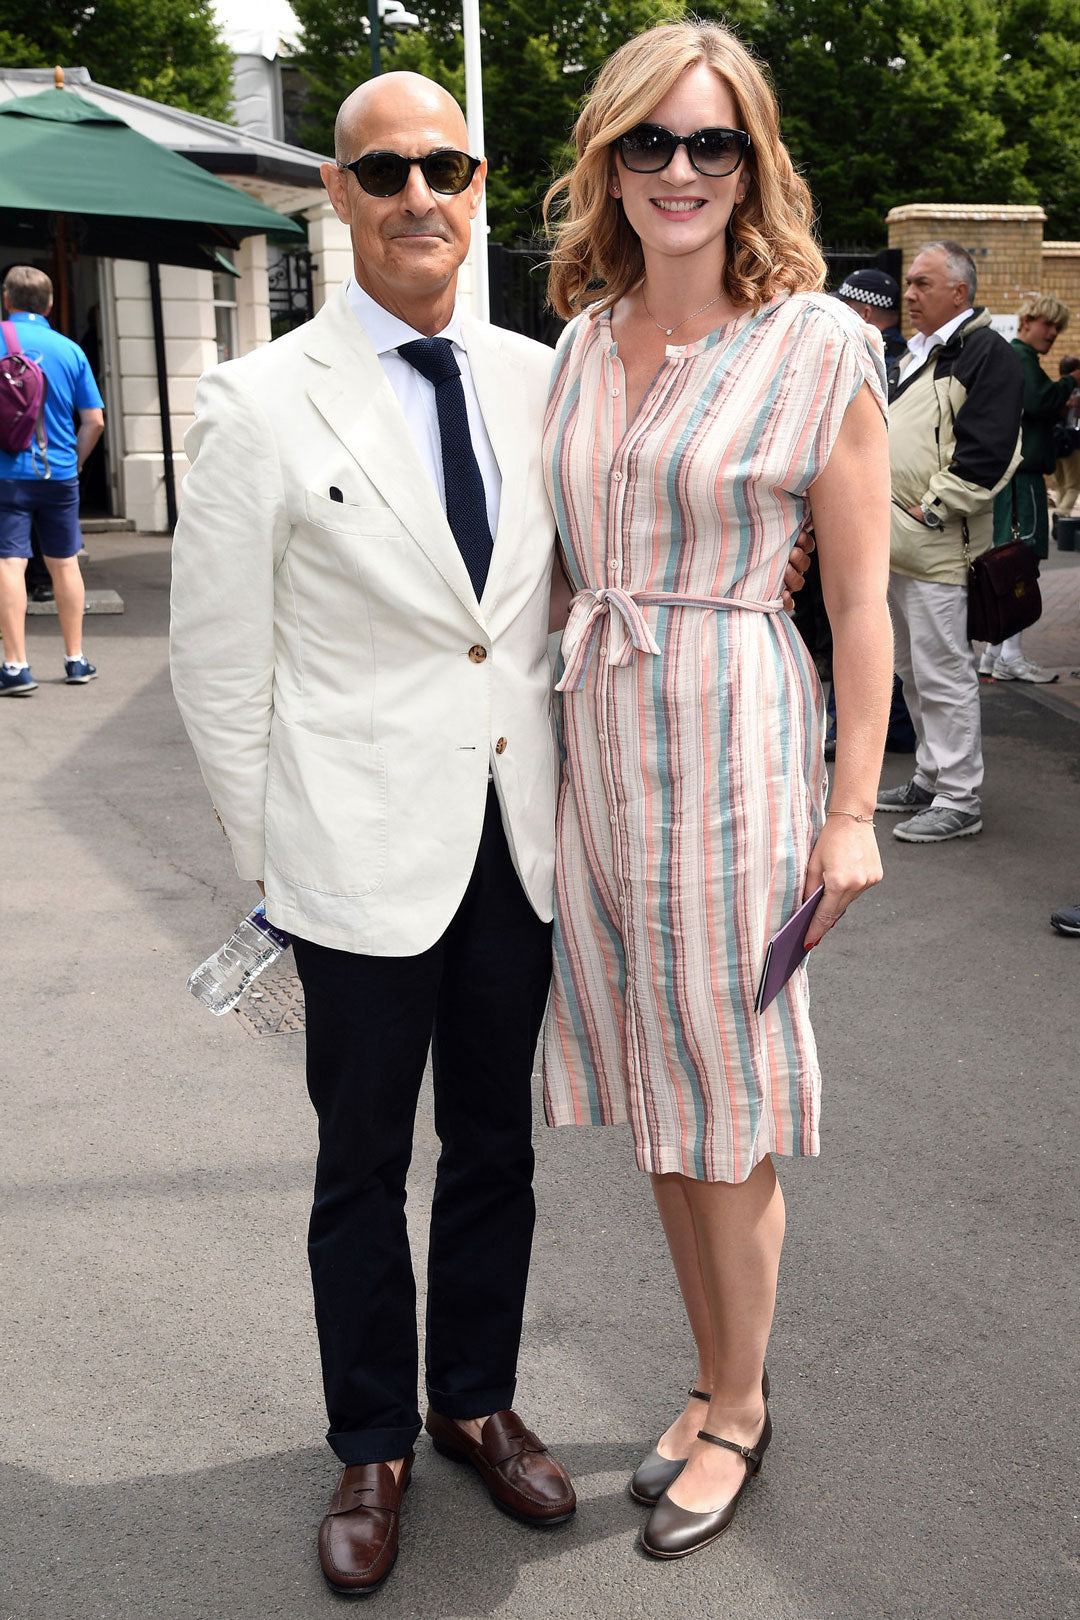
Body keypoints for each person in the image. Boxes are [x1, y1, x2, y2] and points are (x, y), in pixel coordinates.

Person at [170, 73, 577, 1598]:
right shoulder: (260, 400)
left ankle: (473, 1399)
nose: (420, 196)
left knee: (495, 1148)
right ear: (340, 195)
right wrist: (273, 864)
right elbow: (218, 662)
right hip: (348, 855)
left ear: (480, 187)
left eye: (446, 167)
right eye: (385, 171)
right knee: (360, 1166)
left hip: (511, 843)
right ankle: (372, 1441)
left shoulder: (545, 380)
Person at [542, 19, 892, 1562]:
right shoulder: (573, 338)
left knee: (727, 1104)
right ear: (608, 162)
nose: (679, 173)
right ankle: (708, 1373)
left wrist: (852, 810)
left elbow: (865, 603)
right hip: (596, 756)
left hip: (736, 747)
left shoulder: (818, 343)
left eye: (712, 144)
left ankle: (737, 1409)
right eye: (649, 144)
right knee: (655, 1101)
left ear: (754, 163)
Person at [877, 241, 1023, 842]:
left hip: (935, 547)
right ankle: (932, 777)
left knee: (944, 674)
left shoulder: (986, 353)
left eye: (921, 284)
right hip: (898, 544)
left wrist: (930, 512)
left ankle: (959, 798)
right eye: (909, 284)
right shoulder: (927, 352)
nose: (907, 295)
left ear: (958, 292)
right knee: (913, 670)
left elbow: (988, 455)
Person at [0, 266, 104, 695]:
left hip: (6, 475)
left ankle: (15, 666)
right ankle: (75, 659)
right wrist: (74, 464)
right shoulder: (69, 350)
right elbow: (94, 421)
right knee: (63, 562)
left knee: (10, 563)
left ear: (6, 299)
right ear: (49, 304)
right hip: (59, 472)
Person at [982, 294, 1080, 684]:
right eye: (1048, 325)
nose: (1053, 333)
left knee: (1010, 558)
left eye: (1057, 327)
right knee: (1021, 559)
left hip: (1016, 475)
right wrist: (1071, 381)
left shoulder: (1017, 355)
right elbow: (1039, 400)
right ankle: (1010, 654)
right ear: (1028, 321)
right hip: (1023, 477)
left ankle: (995, 653)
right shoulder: (1021, 356)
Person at [836, 267, 906, 366]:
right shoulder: (906, 356)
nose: (839, 313)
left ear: (865, 314)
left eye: (845, 308)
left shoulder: (866, 358)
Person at [1051, 354, 1080, 526]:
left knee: (1060, 483)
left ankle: (1059, 521)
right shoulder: (1075, 394)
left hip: (1054, 443)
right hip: (1073, 443)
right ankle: (1062, 514)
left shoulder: (1054, 388)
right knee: (1074, 484)